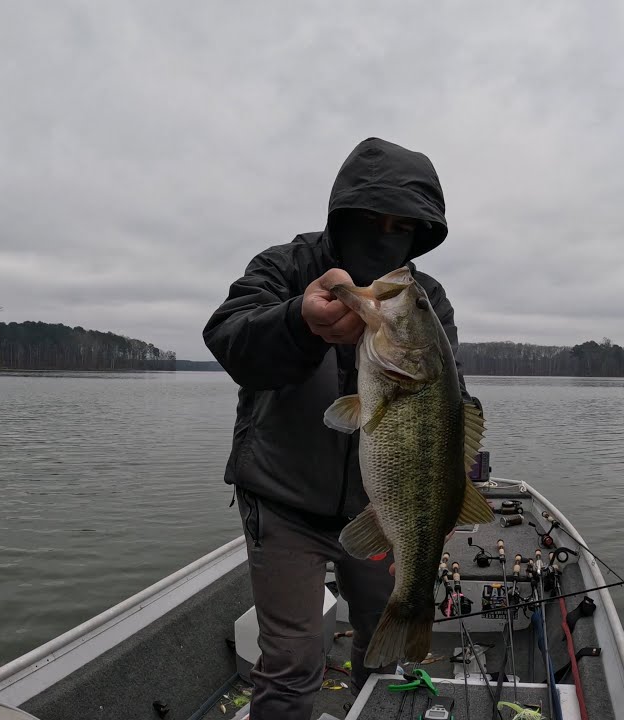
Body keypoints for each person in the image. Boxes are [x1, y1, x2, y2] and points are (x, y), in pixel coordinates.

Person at [202, 137, 472, 720]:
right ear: (342, 215)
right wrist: (300, 320)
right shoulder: (284, 267)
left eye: (403, 226)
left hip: (379, 510)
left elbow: (453, 410)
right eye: (370, 220)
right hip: (284, 503)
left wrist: (450, 498)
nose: (385, 235)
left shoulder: (423, 300)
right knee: (292, 664)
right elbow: (229, 339)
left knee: (385, 650)